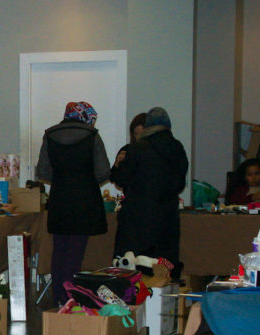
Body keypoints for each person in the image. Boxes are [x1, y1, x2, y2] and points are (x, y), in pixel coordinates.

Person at [35, 101, 110, 307]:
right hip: (85, 201)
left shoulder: (49, 135)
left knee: (59, 251)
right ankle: (70, 298)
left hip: (59, 199)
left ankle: (60, 296)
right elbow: (103, 171)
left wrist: (62, 176)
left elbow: (42, 171)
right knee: (75, 253)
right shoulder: (92, 136)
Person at [110, 106, 189, 277]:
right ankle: (164, 299)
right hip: (168, 217)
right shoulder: (177, 148)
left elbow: (121, 180)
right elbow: (180, 183)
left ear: (147, 127)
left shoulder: (136, 149)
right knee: (164, 264)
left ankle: (134, 300)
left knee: (134, 265)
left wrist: (117, 166)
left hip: (137, 218)